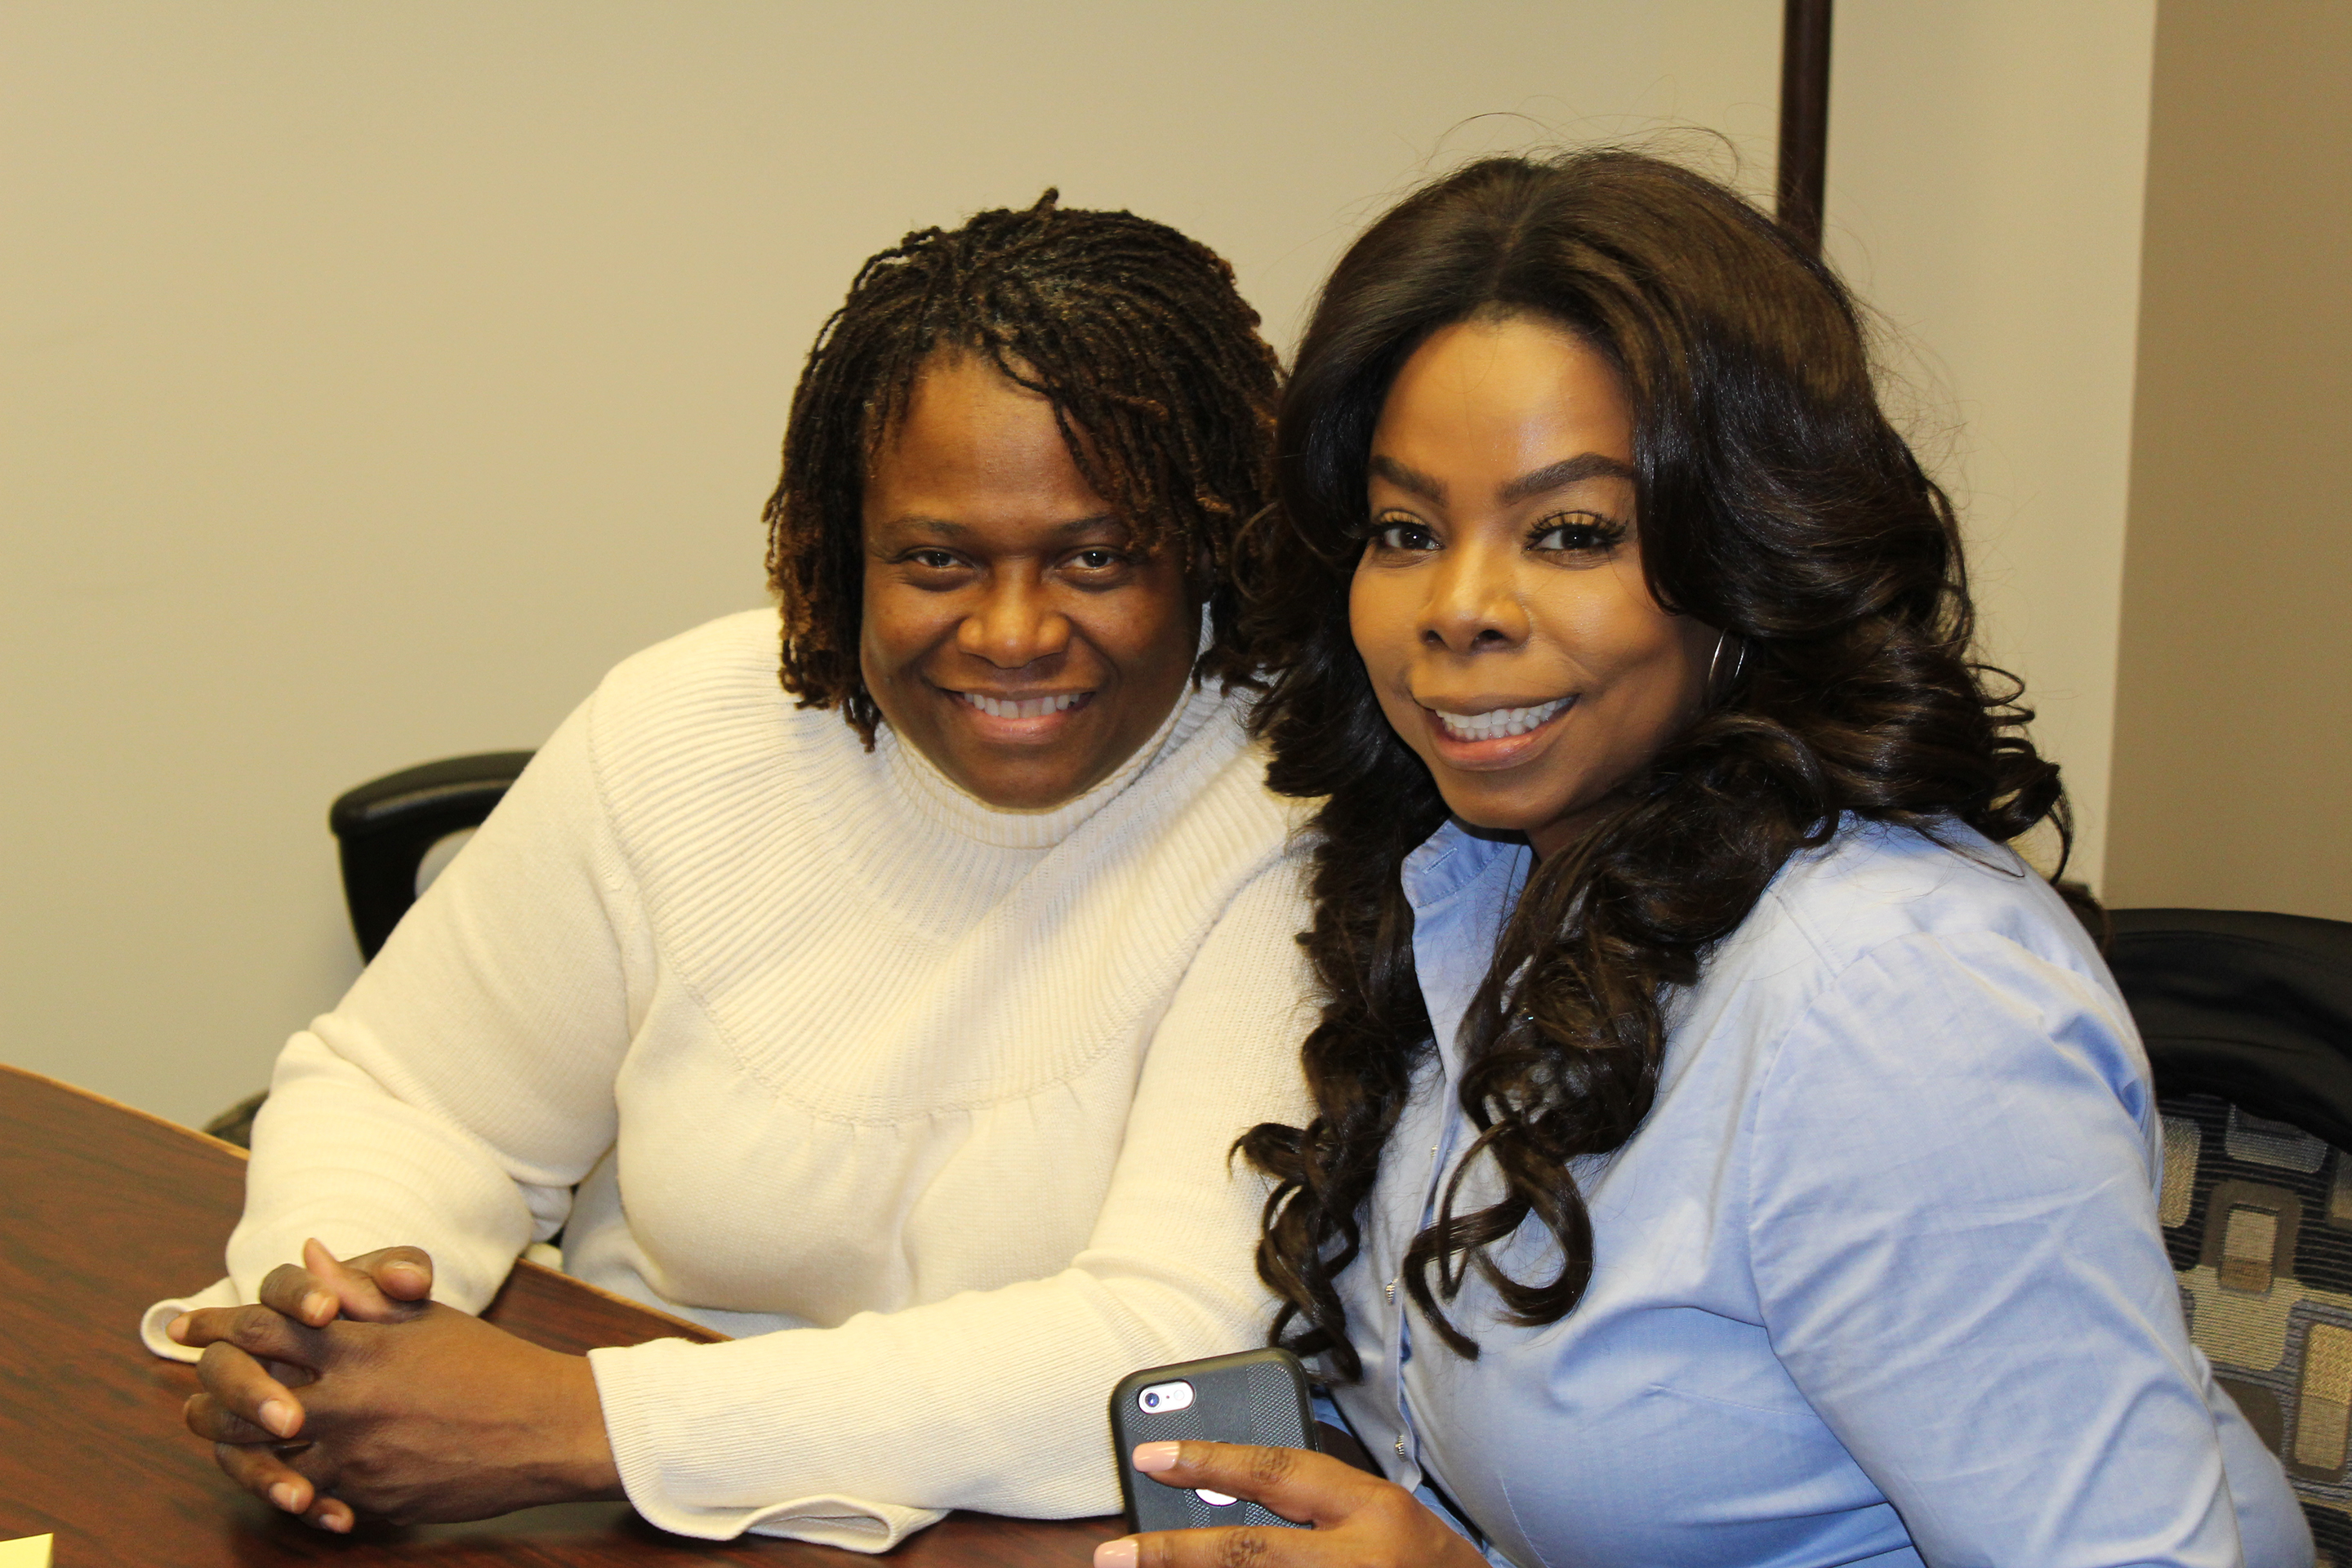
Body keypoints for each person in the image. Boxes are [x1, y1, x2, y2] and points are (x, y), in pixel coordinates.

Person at [1102, 153, 2312, 1567]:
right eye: (1406, 531)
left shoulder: (1892, 997)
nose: (1460, 607)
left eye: (1573, 533)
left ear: (1747, 547)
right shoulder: (1472, 882)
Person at [144, 191, 1318, 1551]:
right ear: (844, 545)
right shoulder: (683, 729)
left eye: (1097, 557)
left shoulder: (1294, 807)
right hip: (605, 1524)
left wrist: (574, 1424)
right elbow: (413, 1098)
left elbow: (1166, 1349)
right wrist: (335, 1327)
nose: (1013, 631)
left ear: (1211, 549)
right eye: (936, 559)